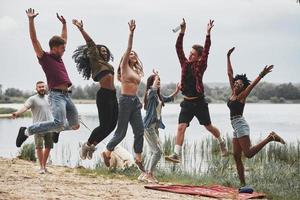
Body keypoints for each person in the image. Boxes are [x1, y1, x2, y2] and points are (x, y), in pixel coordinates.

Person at [165, 19, 228, 163]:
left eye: (193, 54)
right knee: (181, 127)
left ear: (199, 57)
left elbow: (206, 51)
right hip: (187, 103)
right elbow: (178, 48)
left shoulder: (200, 66)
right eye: (190, 53)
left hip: (199, 103)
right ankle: (176, 154)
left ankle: (221, 142)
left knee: (209, 127)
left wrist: (208, 34)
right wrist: (182, 32)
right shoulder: (184, 64)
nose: (189, 55)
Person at [16, 8, 80, 148]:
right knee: (59, 123)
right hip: (56, 95)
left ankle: (56, 130)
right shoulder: (44, 57)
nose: (64, 50)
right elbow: (34, 40)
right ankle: (27, 131)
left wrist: (64, 24)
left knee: (75, 125)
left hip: (66, 96)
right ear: (54, 48)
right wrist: (31, 20)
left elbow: (64, 38)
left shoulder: (59, 56)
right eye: (62, 48)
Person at [226, 47, 286, 187]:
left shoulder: (241, 96)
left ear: (242, 87)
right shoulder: (233, 92)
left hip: (240, 124)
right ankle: (243, 185)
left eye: (239, 85)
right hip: (235, 126)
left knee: (248, 154)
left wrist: (261, 74)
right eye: (235, 83)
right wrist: (228, 56)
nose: (236, 84)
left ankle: (270, 138)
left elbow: (251, 86)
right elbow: (230, 73)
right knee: (236, 156)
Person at [102, 20, 145, 172]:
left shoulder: (136, 70)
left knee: (140, 130)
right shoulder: (124, 66)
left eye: (134, 53)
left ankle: (138, 157)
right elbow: (128, 48)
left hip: (135, 102)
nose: (131, 54)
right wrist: (131, 33)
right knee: (121, 132)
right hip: (125, 101)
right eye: (129, 54)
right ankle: (107, 151)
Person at [72, 19, 118, 160]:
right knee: (104, 125)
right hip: (103, 96)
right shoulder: (95, 61)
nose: (104, 53)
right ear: (97, 52)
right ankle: (86, 145)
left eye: (106, 51)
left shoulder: (107, 64)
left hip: (113, 96)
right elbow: (91, 43)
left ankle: (91, 145)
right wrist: (81, 29)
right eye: (102, 51)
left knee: (112, 125)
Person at [139, 70, 180, 183]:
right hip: (149, 127)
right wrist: (157, 76)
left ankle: (144, 174)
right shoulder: (150, 94)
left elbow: (168, 99)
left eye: (159, 82)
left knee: (154, 151)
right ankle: (149, 174)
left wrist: (177, 91)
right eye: (157, 82)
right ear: (151, 84)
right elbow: (152, 89)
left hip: (154, 127)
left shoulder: (157, 96)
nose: (159, 83)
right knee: (158, 152)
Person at [12, 81, 54, 174]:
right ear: (36, 89)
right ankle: (41, 167)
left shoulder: (49, 98)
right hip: (38, 127)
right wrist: (17, 113)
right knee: (39, 147)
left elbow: (56, 109)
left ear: (45, 87)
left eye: (43, 86)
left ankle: (44, 166)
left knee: (48, 147)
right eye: (40, 87)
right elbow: (25, 107)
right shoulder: (33, 99)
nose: (42, 88)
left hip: (50, 126)